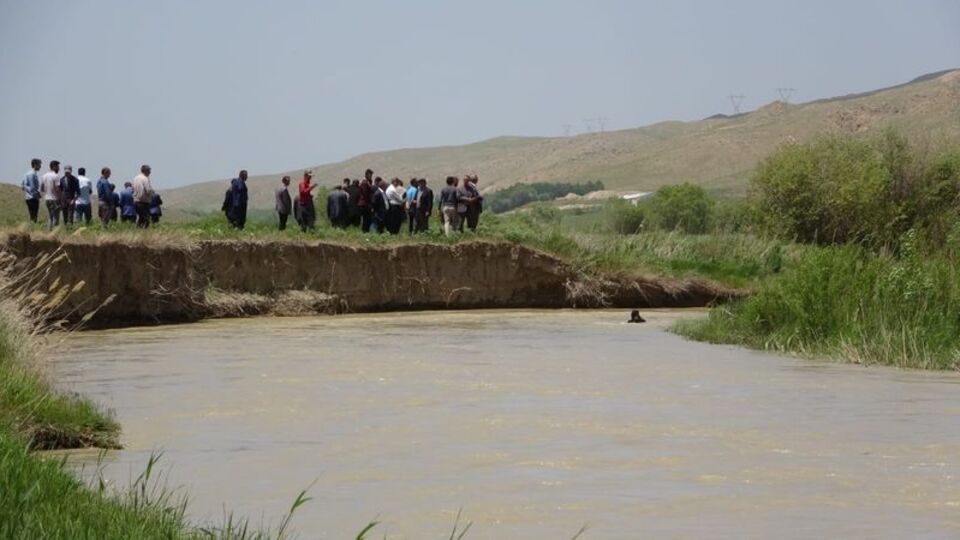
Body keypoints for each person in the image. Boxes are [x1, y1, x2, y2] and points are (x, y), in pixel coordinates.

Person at [40, 161, 61, 230]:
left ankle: (49, 232)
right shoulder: (56, 176)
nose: (59, 168)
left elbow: (42, 188)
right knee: (56, 217)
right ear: (54, 166)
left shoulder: (44, 176)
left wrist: (48, 191)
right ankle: (54, 234)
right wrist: (60, 198)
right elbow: (57, 189)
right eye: (58, 166)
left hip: (47, 198)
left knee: (50, 216)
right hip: (54, 199)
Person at [21, 158, 41, 223]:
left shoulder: (27, 173)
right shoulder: (32, 174)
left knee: (32, 215)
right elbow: (33, 188)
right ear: (35, 165)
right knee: (34, 216)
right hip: (33, 198)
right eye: (39, 164)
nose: (40, 166)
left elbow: (22, 185)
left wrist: (28, 190)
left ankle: (31, 228)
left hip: (28, 197)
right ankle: (33, 229)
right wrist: (37, 194)